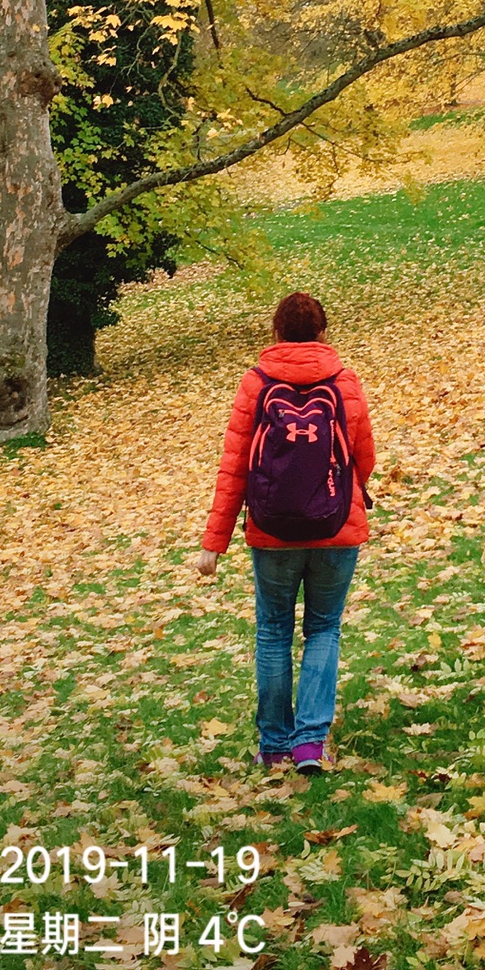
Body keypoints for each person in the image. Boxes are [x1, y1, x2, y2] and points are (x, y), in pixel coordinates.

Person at [195, 292, 376, 772]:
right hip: (337, 528)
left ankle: (274, 745)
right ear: (323, 333)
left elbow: (235, 466)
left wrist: (215, 542)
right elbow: (366, 457)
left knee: (273, 632)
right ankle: (310, 745)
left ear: (275, 333)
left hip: (272, 532)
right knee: (323, 628)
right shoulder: (346, 381)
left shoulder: (256, 384)